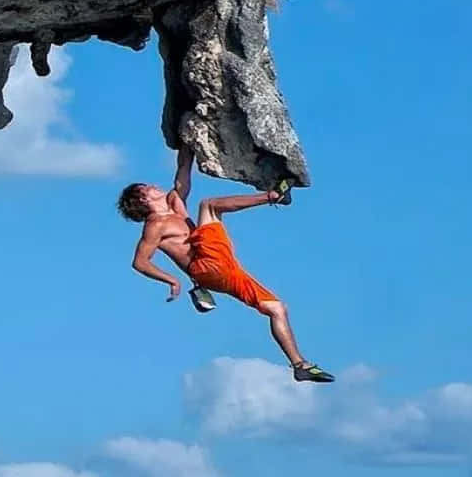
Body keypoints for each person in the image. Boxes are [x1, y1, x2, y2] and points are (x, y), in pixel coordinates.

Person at [116, 147, 335, 383]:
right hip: (206, 266)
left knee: (277, 309)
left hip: (223, 270)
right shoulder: (155, 225)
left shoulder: (175, 205)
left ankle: (299, 365)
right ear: (142, 199)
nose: (152, 185)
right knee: (208, 205)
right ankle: (274, 196)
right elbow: (139, 262)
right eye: (146, 187)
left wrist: (186, 140)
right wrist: (172, 279)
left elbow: (183, 169)